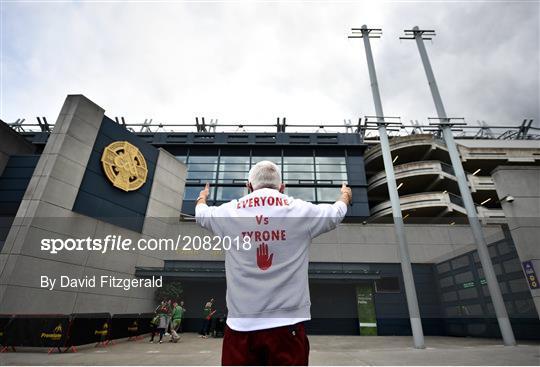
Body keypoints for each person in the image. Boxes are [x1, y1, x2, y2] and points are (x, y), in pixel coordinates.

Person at [195, 160, 351, 365]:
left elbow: (201, 213)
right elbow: (336, 213)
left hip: (241, 327)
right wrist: (345, 194)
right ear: (282, 187)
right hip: (288, 328)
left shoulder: (228, 212)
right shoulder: (300, 211)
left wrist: (202, 196)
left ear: (248, 187)